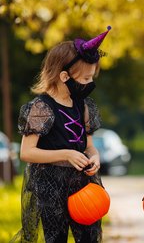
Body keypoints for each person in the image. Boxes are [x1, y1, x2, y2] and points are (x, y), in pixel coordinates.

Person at [11, 26, 111, 243]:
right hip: (51, 186)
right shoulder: (41, 108)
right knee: (56, 237)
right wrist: (65, 154)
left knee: (89, 237)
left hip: (83, 184)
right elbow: (27, 153)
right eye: (85, 78)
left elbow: (89, 145)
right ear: (64, 76)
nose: (89, 83)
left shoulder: (83, 106)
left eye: (91, 77)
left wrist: (94, 157)